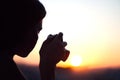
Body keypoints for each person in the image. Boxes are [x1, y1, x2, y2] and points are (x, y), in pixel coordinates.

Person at [0, 0, 70, 80]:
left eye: (38, 31)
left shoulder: (6, 62)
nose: (35, 37)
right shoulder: (4, 67)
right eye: (30, 27)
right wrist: (47, 66)